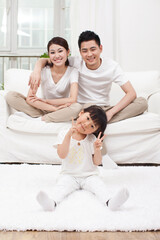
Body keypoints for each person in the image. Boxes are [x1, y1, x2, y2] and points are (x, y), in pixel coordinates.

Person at [29, 30, 148, 123]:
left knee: (142, 102)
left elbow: (131, 93)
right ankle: (94, 120)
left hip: (103, 108)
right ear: (80, 52)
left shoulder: (112, 66)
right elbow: (52, 59)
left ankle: (102, 119)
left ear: (100, 48)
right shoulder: (75, 62)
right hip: (82, 108)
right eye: (84, 51)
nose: (89, 54)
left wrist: (111, 113)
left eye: (93, 49)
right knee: (78, 108)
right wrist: (37, 69)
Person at [36, 105, 129, 211]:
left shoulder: (92, 139)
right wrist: (68, 135)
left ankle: (110, 202)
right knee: (61, 188)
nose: (87, 125)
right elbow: (62, 154)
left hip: (89, 176)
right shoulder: (63, 133)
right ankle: (51, 203)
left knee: (99, 186)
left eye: (92, 126)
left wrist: (97, 149)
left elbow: (97, 162)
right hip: (69, 175)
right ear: (81, 113)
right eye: (88, 118)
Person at [5, 37, 82, 122]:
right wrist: (53, 109)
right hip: (43, 108)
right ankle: (48, 116)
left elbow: (72, 99)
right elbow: (30, 98)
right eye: (52, 52)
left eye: (60, 51)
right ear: (49, 55)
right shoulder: (42, 71)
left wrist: (47, 101)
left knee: (77, 107)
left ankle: (42, 118)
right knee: (11, 96)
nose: (57, 55)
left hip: (62, 109)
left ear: (68, 52)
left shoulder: (73, 72)